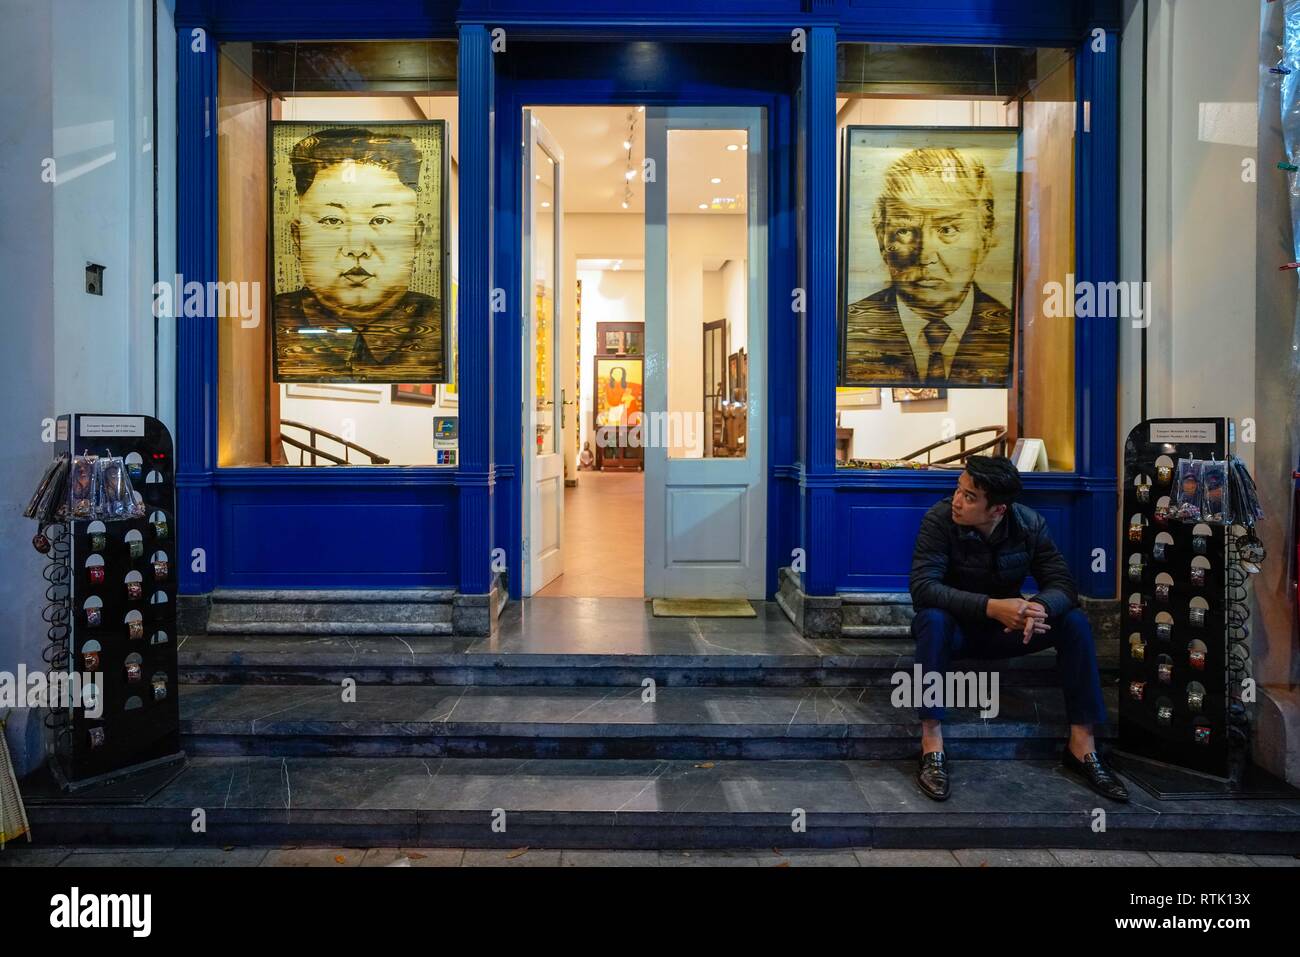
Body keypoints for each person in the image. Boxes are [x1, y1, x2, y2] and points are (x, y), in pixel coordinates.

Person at [908, 454, 1128, 803]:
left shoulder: (1029, 524)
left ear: (997, 510)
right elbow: (923, 588)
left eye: (969, 497)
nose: (957, 501)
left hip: (1009, 632)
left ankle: (1082, 746)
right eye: (958, 489)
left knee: (1073, 621)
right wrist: (992, 607)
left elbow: (1062, 584)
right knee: (932, 619)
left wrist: (1037, 607)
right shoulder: (939, 520)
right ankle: (931, 743)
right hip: (958, 631)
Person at [274, 126, 444, 382]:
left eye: (381, 220)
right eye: (332, 220)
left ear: (416, 235)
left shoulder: (441, 326)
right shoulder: (271, 324)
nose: (356, 247)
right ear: (297, 237)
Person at [842, 147, 1013, 387]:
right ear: (882, 239)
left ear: (985, 237)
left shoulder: (1013, 331)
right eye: (904, 230)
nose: (924, 255)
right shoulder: (846, 330)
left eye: (947, 230)